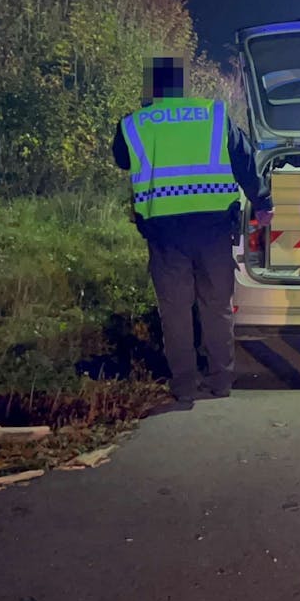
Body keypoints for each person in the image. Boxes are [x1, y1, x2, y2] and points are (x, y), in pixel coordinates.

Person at [113, 56, 273, 402]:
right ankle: (220, 381)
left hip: (165, 233)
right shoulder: (213, 115)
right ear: (184, 85)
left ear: (151, 87)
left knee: (175, 309)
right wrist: (262, 201)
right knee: (216, 305)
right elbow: (244, 161)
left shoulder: (135, 123)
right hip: (213, 228)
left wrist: (146, 112)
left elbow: (123, 159)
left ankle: (184, 385)